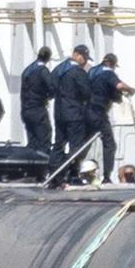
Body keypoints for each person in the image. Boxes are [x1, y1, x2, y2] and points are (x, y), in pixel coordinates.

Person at [85, 53, 135, 184]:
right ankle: (107, 176)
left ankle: (71, 171)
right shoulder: (108, 73)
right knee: (109, 144)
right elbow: (119, 86)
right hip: (99, 112)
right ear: (111, 64)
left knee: (83, 143)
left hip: (86, 111)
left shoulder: (92, 71)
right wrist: (130, 89)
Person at [52, 46, 93, 174]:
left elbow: (50, 86)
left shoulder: (58, 69)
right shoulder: (77, 71)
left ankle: (53, 173)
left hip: (59, 112)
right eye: (84, 58)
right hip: (74, 113)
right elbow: (86, 92)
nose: (85, 61)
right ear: (76, 54)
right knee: (76, 146)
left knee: (58, 145)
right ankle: (72, 174)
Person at [19, 48, 56, 152]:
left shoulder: (27, 70)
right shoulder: (42, 70)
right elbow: (51, 87)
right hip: (38, 109)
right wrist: (49, 96)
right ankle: (44, 165)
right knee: (44, 137)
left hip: (25, 109)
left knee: (32, 141)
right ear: (48, 58)